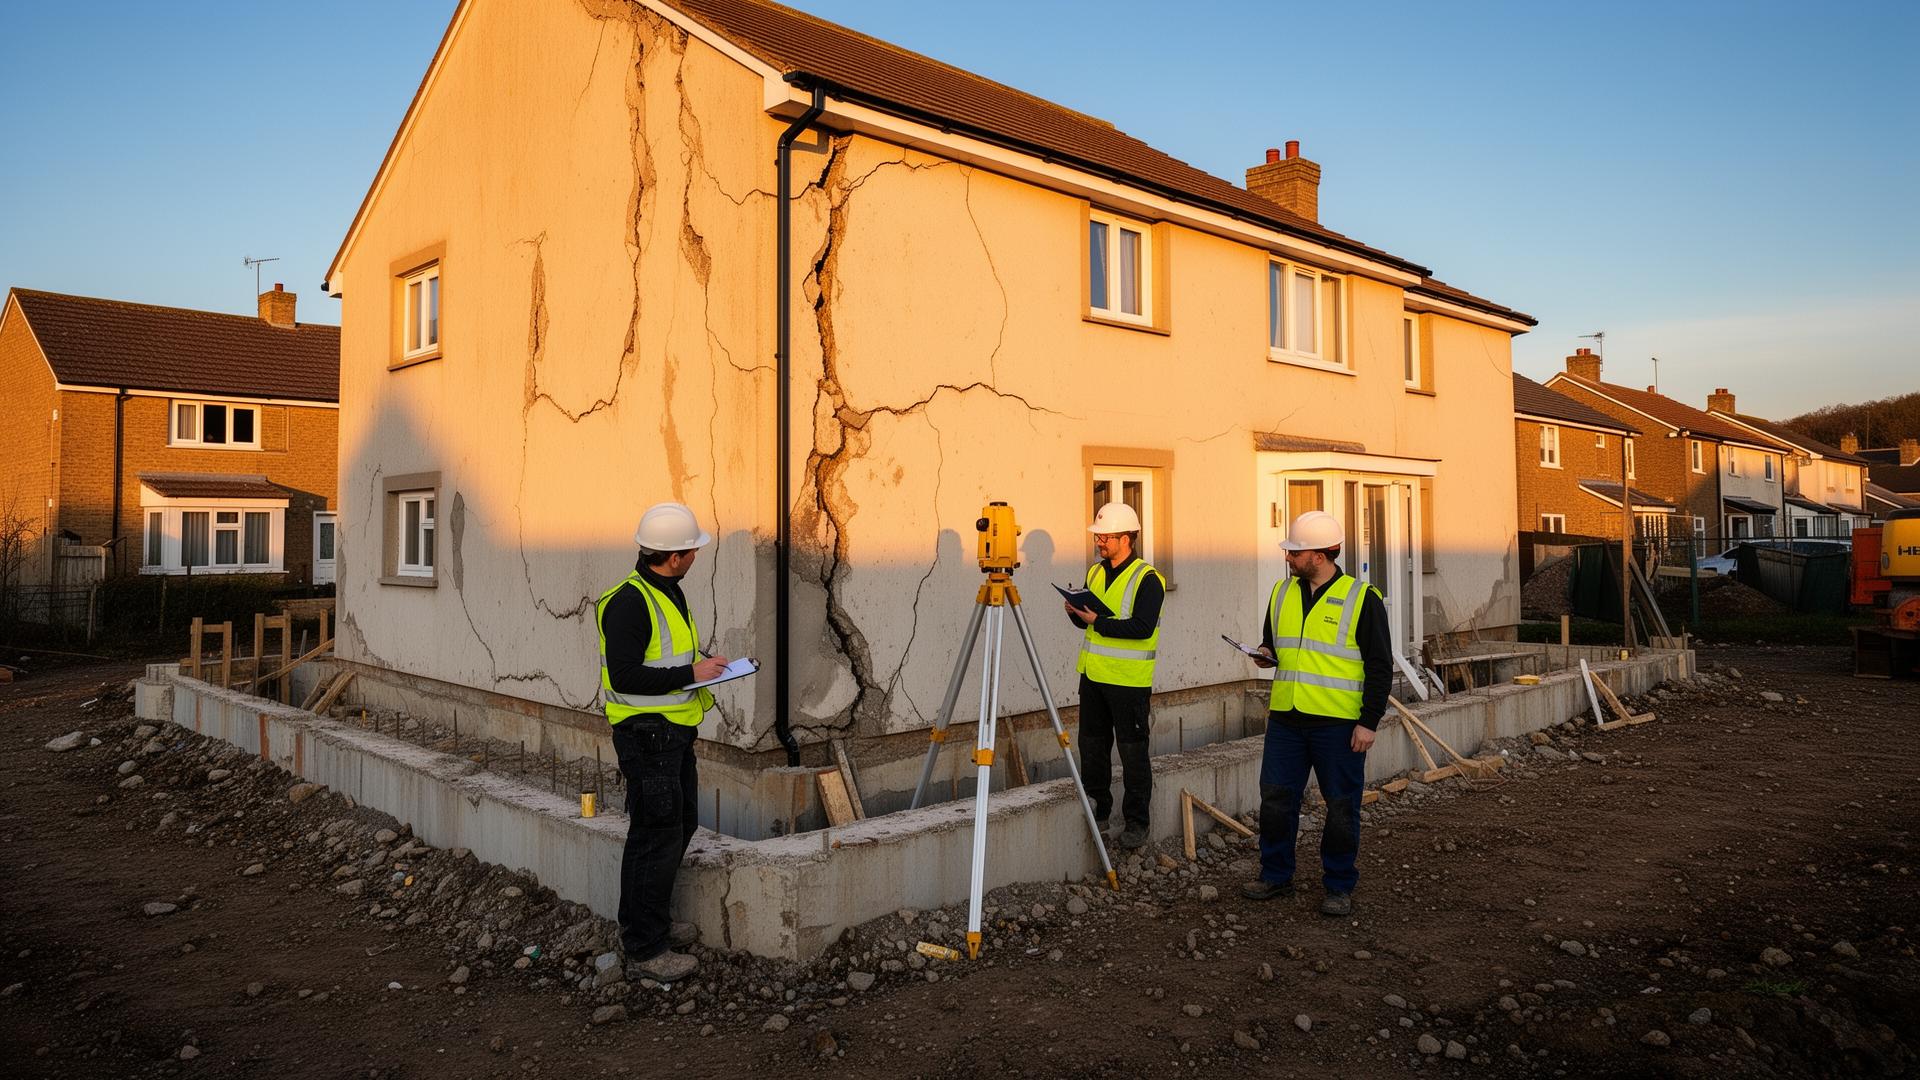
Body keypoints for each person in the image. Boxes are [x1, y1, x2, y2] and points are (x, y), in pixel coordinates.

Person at [596, 501, 731, 982]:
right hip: (647, 737)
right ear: (674, 557)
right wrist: (690, 673)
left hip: (672, 733)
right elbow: (626, 675)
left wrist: (706, 666)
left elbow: (667, 656)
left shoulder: (666, 590)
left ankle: (651, 924)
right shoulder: (630, 602)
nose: (695, 556)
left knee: (680, 825)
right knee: (654, 837)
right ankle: (645, 947)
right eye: (692, 550)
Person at [1240, 510, 1391, 916]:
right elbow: (1274, 643)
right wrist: (1265, 654)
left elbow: (1380, 666)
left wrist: (1369, 722)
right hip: (1286, 719)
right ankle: (1276, 875)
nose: (1288, 558)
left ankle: (1339, 885)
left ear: (1320, 556)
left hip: (1337, 725)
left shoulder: (1362, 599)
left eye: (1295, 552)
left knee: (1341, 805)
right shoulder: (1281, 592)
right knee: (1275, 800)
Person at [1063, 501, 1165, 850]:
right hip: (1093, 677)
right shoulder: (1095, 573)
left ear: (1126, 539)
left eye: (1105, 537)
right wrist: (1075, 613)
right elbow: (1088, 624)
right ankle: (1099, 810)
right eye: (1098, 536)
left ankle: (1137, 823)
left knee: (1132, 753)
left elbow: (1141, 627)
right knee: (1092, 747)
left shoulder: (1148, 579)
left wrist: (1097, 621)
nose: (1099, 542)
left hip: (1129, 682)